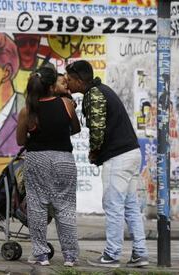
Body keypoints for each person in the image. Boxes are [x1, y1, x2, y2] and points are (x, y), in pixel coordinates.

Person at [65, 60, 149, 268]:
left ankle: (111, 255)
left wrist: (94, 152)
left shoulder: (94, 94)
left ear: (79, 80)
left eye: (69, 80)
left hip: (118, 157)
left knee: (113, 205)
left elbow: (97, 128)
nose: (67, 84)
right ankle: (140, 253)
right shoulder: (102, 90)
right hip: (132, 153)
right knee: (130, 206)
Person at [16, 66, 81, 266]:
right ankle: (70, 256)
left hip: (37, 160)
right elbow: (75, 128)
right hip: (64, 159)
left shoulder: (28, 111)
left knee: (37, 206)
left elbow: (20, 141)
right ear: (53, 86)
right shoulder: (66, 104)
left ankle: (41, 255)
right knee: (66, 208)